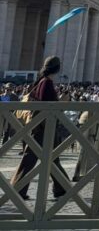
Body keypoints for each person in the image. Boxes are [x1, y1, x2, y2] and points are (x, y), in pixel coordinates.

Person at [11, 55, 69, 200]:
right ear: (57, 69)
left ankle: (62, 188)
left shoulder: (41, 81)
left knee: (51, 158)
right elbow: (47, 105)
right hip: (43, 128)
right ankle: (17, 189)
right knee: (31, 158)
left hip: (42, 126)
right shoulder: (47, 83)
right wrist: (62, 101)